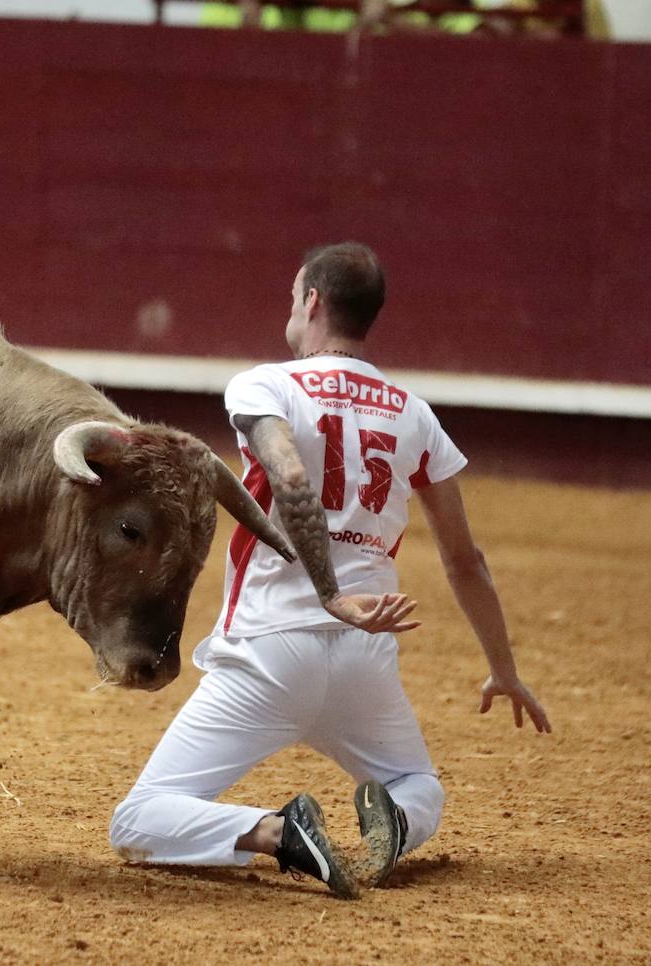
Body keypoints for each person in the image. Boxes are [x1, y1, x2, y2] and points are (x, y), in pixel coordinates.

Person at [108, 242, 551, 899]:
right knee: (418, 784)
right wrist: (504, 670)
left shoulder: (266, 385)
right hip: (364, 658)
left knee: (138, 820)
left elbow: (288, 474)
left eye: (295, 297)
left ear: (312, 301)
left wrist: (329, 593)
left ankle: (277, 832)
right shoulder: (412, 412)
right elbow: (465, 560)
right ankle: (395, 821)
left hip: (269, 652)